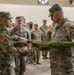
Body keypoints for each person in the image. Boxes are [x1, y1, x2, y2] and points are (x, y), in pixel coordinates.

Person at [48, 4, 74, 75]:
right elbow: (54, 44)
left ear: (58, 14)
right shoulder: (56, 27)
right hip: (55, 67)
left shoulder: (68, 25)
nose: (51, 18)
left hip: (65, 69)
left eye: (52, 15)